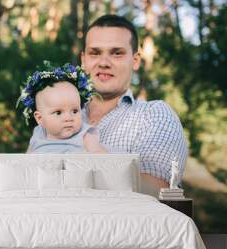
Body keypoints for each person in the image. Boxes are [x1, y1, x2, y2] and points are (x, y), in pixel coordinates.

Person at [80, 14, 188, 196]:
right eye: (95, 53)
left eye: (117, 53)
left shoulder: (154, 115)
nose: (104, 63)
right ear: (83, 60)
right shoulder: (56, 116)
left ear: (135, 61)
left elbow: (157, 191)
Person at [16, 62, 106, 153]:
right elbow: (27, 160)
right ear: (40, 119)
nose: (69, 118)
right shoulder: (38, 134)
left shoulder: (84, 136)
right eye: (58, 112)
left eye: (74, 111)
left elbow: (102, 159)